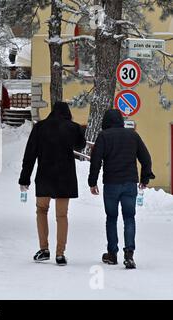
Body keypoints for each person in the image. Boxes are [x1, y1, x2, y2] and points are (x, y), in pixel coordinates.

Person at [19, 101, 86, 266]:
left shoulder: (40, 127)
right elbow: (81, 145)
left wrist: (24, 178)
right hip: (65, 177)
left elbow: (30, 154)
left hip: (45, 176)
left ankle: (44, 249)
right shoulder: (73, 127)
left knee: (41, 211)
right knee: (62, 216)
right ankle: (60, 254)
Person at [88, 109, 155, 269]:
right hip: (129, 183)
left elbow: (96, 160)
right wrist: (145, 178)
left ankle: (112, 254)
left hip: (111, 183)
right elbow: (146, 158)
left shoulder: (104, 136)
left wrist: (92, 182)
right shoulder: (133, 135)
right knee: (129, 218)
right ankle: (129, 254)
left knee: (111, 218)